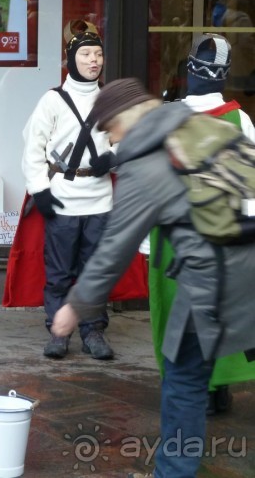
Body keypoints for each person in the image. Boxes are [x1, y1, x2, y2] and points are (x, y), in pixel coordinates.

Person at [52, 78, 255, 478]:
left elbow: (114, 247)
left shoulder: (144, 162)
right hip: (247, 264)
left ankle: (172, 473)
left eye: (108, 128)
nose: (111, 137)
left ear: (123, 118)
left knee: (183, 384)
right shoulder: (200, 125)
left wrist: (75, 306)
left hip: (212, 280)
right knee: (191, 376)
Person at [148, 33, 255, 416]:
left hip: (172, 236)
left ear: (189, 70)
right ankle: (216, 388)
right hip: (222, 232)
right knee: (221, 310)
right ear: (223, 75)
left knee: (175, 310)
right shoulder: (239, 119)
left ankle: (183, 385)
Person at [20, 30, 116, 360]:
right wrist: (40, 191)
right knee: (59, 272)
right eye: (86, 54)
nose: (94, 61)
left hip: (100, 198)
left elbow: (127, 138)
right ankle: (58, 331)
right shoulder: (52, 100)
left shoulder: (110, 98)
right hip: (62, 196)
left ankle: (94, 332)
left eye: (98, 55)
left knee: (94, 271)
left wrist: (114, 156)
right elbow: (32, 147)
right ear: (71, 58)